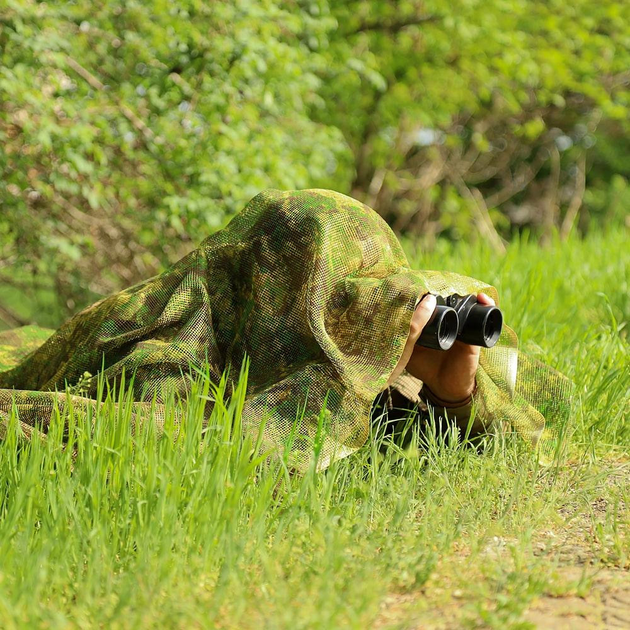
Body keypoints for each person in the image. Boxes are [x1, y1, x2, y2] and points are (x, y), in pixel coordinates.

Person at [0, 189, 572, 470]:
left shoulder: (330, 350)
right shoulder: (175, 340)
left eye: (377, 288)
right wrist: (345, 390)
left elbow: (538, 422)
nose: (370, 313)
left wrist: (456, 395)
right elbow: (183, 450)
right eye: (339, 301)